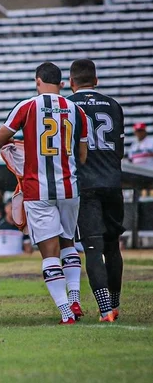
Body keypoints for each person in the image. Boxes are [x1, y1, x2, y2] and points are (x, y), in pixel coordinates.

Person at [0, 62, 88, 324]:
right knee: (68, 242)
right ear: (63, 84)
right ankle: (76, 298)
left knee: (49, 251)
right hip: (70, 187)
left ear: (37, 81)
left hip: (38, 189)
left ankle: (66, 312)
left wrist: (22, 145)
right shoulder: (76, 110)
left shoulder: (27, 106)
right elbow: (82, 155)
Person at [67, 59, 125, 322]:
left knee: (92, 247)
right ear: (96, 80)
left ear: (70, 82)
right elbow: (120, 149)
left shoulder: (68, 106)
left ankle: (104, 310)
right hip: (113, 182)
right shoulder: (114, 105)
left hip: (85, 183)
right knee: (113, 247)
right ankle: (115, 305)